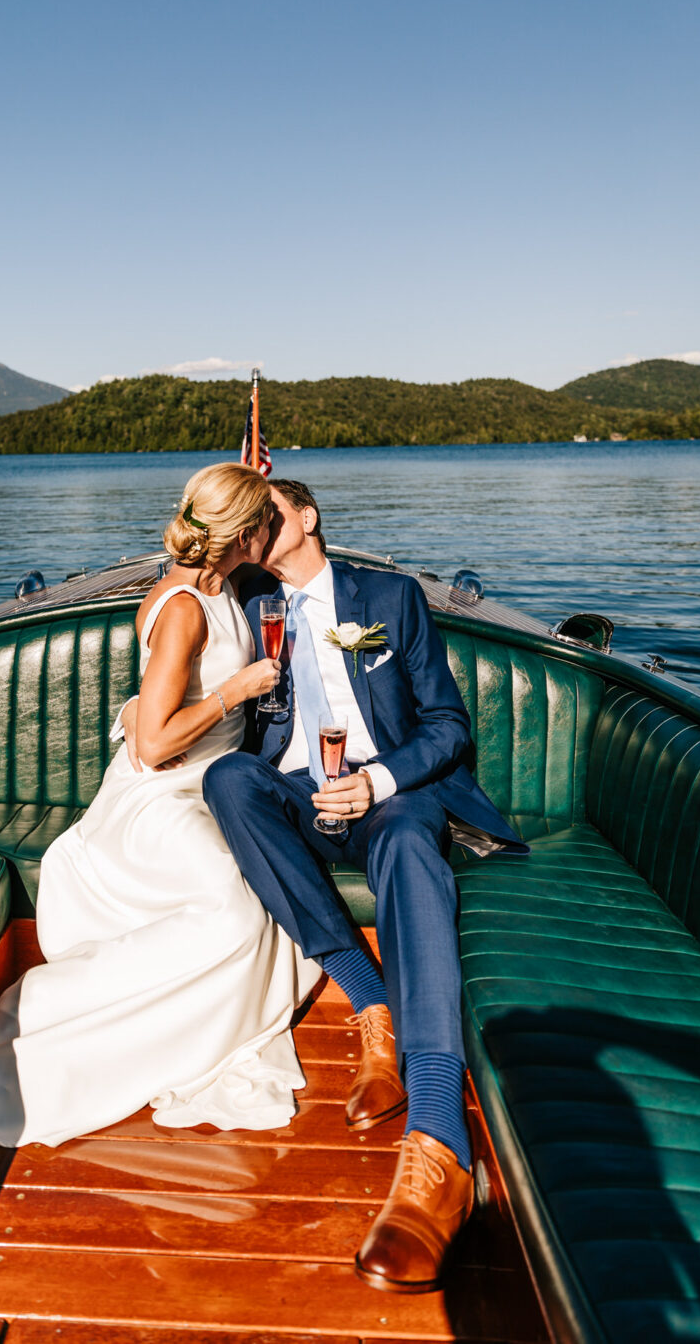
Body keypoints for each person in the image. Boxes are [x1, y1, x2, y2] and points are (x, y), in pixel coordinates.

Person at [200, 479, 523, 1294]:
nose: (258, 526)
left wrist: (377, 783)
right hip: (301, 794)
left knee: (414, 843)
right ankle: (369, 1003)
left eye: (270, 510)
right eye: (249, 519)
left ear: (308, 517)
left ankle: (440, 1140)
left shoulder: (388, 597)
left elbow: (448, 725)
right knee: (231, 781)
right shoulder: (251, 604)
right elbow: (184, 569)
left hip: (389, 795)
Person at [0, 463, 321, 1148]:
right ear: (243, 532)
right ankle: (54, 1014)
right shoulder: (184, 606)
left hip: (212, 786)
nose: (273, 529)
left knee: (267, 887)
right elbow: (153, 743)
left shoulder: (223, 587)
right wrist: (239, 690)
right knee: (235, 911)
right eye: (265, 521)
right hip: (161, 799)